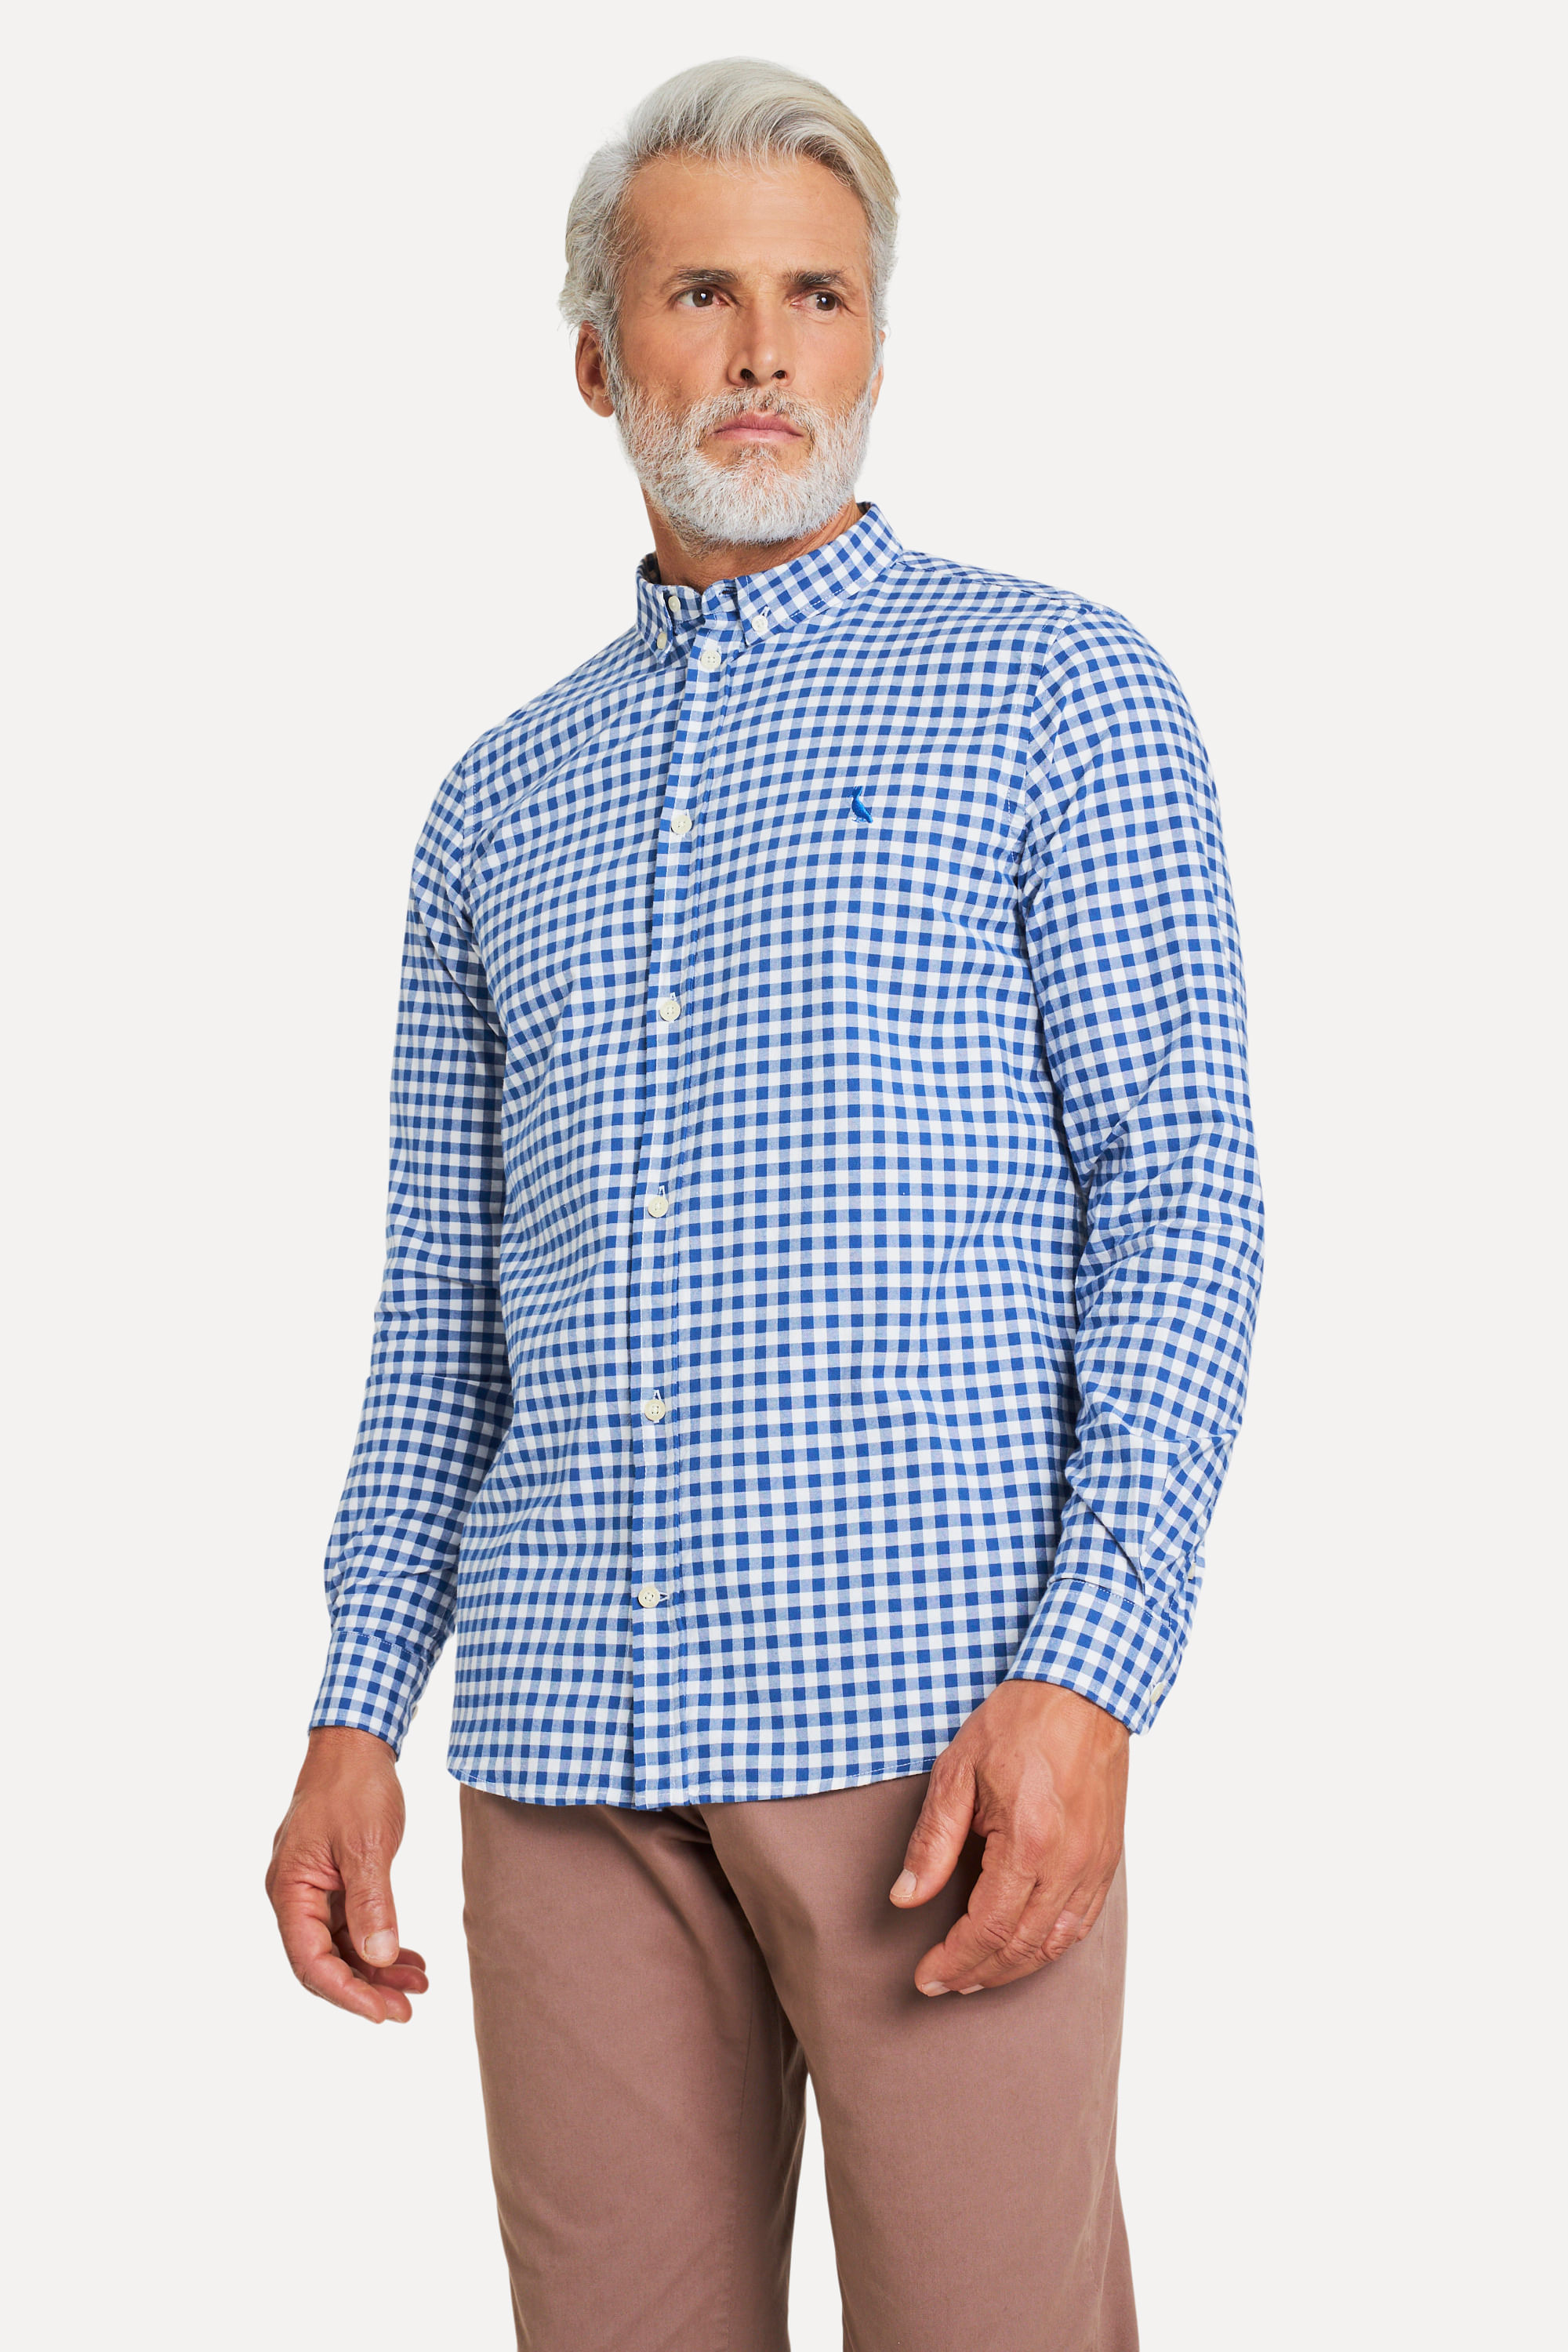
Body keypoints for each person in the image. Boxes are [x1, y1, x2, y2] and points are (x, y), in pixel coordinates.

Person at [267, 56, 1264, 2352]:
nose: (760, 351)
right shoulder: (495, 802)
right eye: (697, 292)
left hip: (935, 1735)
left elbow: (1184, 1195)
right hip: (564, 1746)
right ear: (594, 357)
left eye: (817, 295)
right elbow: (441, 1306)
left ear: (878, 339)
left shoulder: (1057, 692)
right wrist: (354, 1706)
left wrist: (1091, 1674)